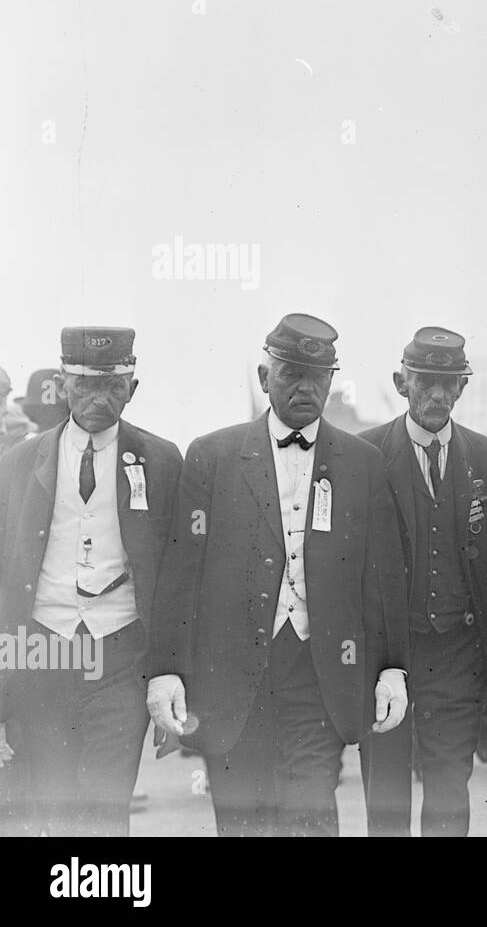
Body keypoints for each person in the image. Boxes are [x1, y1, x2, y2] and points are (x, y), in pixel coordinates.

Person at [145, 314, 410, 836]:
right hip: (230, 678)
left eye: (318, 376)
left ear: (333, 381)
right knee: (241, 819)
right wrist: (166, 669)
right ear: (265, 378)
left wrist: (392, 669)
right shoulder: (212, 456)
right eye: (291, 374)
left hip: (321, 675)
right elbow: (182, 574)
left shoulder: (364, 463)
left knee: (311, 809)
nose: (305, 388)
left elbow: (383, 581)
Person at [0, 327, 182, 835]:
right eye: (83, 384)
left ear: (133, 387)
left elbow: (176, 577)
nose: (98, 399)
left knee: (106, 804)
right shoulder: (16, 465)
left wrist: (172, 675)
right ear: (62, 385)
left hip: (122, 657)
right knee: (50, 802)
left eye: (113, 385)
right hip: (45, 653)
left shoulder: (163, 461)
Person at [358, 327, 487, 836]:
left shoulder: (486, 458)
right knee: (387, 790)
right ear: (402, 382)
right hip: (387, 656)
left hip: (457, 654)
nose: (439, 395)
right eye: (426, 381)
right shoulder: (366, 454)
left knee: (449, 787)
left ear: (462, 388)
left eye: (450, 383)